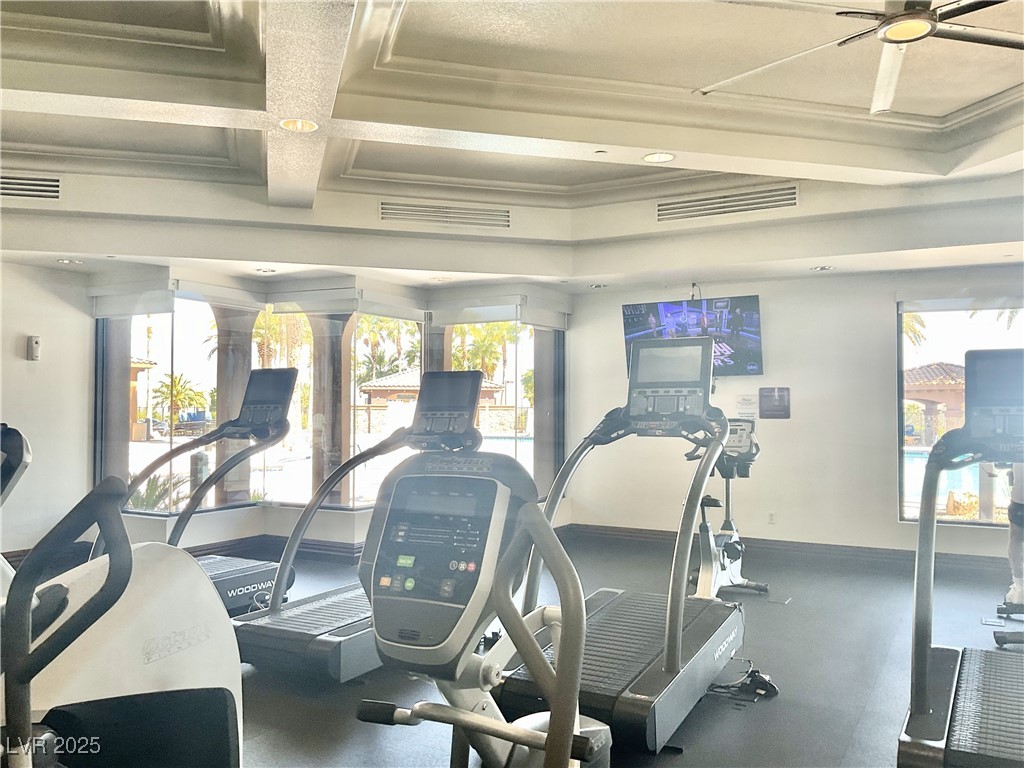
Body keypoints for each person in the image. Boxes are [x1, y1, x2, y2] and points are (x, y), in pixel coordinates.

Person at [1006, 462, 1023, 606]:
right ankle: (1020, 587)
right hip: (1020, 499)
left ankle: (1020, 587)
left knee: (1016, 538)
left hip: (1020, 500)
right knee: (1016, 538)